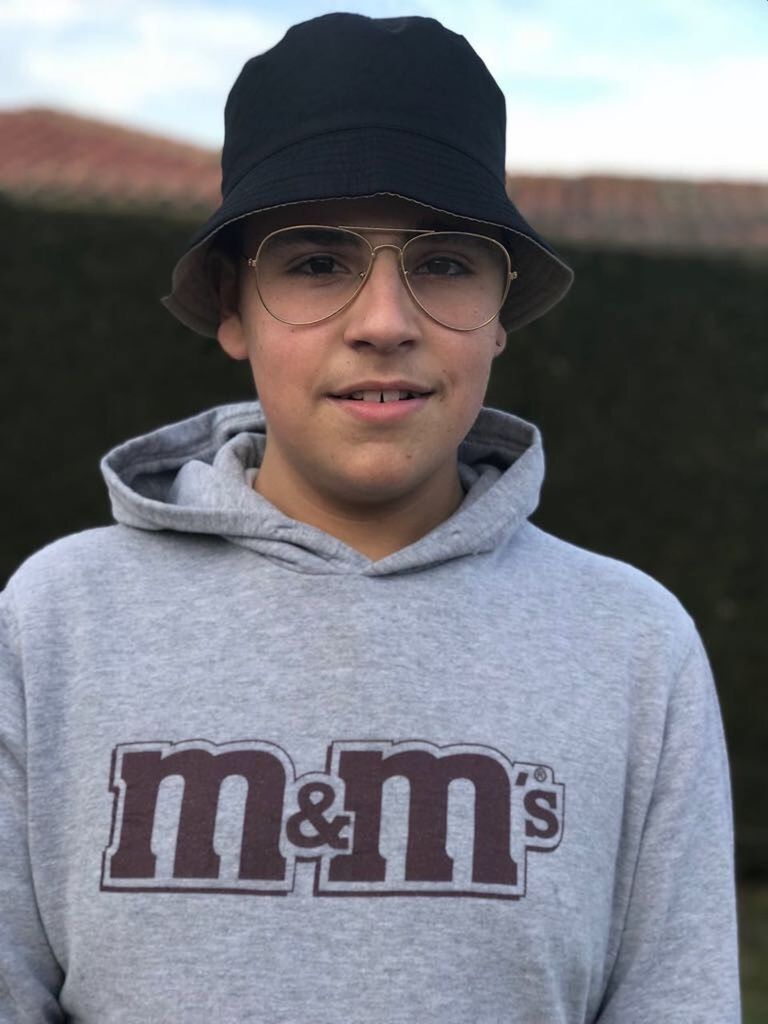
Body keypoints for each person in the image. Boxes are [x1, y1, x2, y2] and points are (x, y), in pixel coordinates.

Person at [0, 13, 739, 1023]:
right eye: (315, 262)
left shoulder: (633, 649)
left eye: (443, 263)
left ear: (501, 310)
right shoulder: (52, 626)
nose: (384, 321)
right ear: (232, 303)